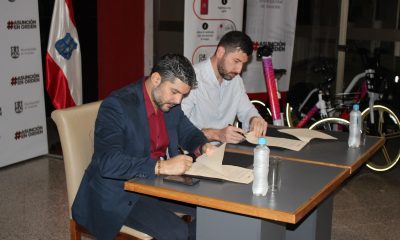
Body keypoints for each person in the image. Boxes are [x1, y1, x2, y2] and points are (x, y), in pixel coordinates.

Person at [72, 54, 214, 240]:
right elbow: (108, 162)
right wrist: (160, 167)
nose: (179, 100)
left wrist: (203, 146)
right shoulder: (117, 106)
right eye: (174, 92)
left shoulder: (169, 104)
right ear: (156, 79)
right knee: (177, 232)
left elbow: (188, 133)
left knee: (211, 213)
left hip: (155, 184)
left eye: (183, 95)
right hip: (121, 192)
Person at [181, 31, 268, 144]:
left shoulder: (235, 80)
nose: (239, 70)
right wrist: (217, 134)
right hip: (195, 153)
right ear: (220, 52)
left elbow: (247, 110)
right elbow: (180, 128)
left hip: (223, 151)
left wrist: (254, 119)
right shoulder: (192, 78)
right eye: (236, 61)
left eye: (243, 64)